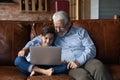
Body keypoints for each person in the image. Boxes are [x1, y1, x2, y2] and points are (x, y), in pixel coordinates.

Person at [52, 11, 112, 80]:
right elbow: (40, 40)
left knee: (99, 67)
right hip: (70, 66)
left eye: (61, 27)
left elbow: (91, 49)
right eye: (55, 27)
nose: (58, 30)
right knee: (83, 77)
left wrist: (79, 61)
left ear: (68, 24)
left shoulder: (80, 32)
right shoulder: (53, 36)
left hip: (87, 60)